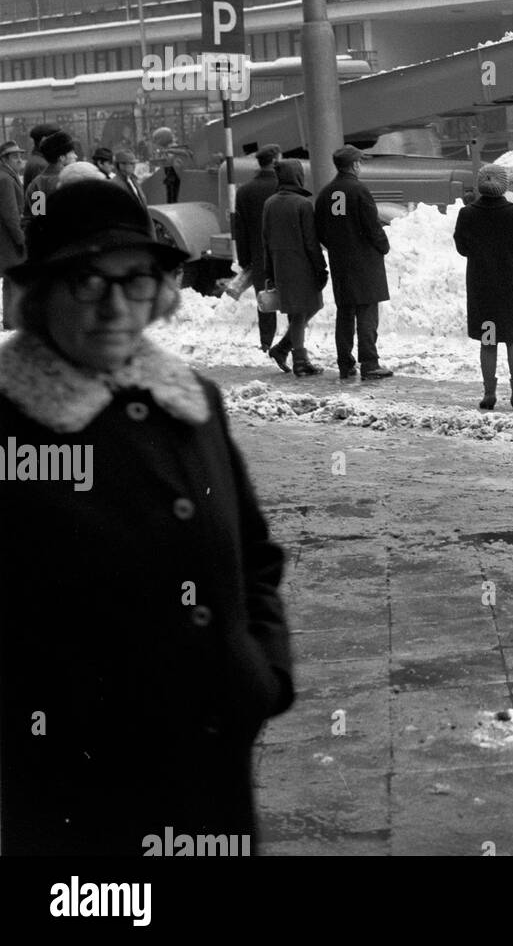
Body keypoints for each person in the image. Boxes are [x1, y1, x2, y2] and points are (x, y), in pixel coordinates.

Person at [0, 180, 294, 855]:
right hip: (78, 804)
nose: (114, 306)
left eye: (134, 280)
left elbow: (255, 555)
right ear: (41, 294)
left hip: (209, 783)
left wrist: (261, 672)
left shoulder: (192, 403)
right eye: (85, 281)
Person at [453, 163, 513, 410]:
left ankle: (489, 393)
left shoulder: (468, 214)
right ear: (504, 186)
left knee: (488, 340)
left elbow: (462, 248)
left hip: (483, 288)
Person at [314, 144, 394, 382]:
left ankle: (345, 364)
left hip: (341, 262)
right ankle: (370, 364)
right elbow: (372, 226)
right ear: (355, 165)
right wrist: (383, 246)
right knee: (367, 313)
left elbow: (319, 230)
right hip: (365, 263)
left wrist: (336, 247)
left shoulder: (326, 193)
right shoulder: (360, 191)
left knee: (345, 313)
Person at [261, 159, 328, 377]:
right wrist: (321, 268)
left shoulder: (269, 203)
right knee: (302, 312)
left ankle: (282, 349)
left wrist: (269, 271)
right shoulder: (303, 204)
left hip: (281, 265)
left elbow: (265, 240)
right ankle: (299, 360)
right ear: (297, 176)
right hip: (303, 266)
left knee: (302, 310)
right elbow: (311, 241)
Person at [232, 145, 280, 353]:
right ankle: (294, 343)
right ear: (276, 160)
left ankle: (266, 342)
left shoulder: (244, 191)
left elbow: (239, 230)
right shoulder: (284, 187)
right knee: (294, 299)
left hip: (259, 256)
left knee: (265, 300)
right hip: (285, 253)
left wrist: (245, 260)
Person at [22, 130, 78, 232]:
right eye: (72, 152)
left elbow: (38, 217)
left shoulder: (37, 184)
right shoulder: (70, 180)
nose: (76, 156)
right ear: (61, 158)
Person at [0, 138, 25, 329]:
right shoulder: (6, 179)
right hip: (10, 238)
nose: (19, 160)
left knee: (11, 280)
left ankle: (10, 320)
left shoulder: (10, 176)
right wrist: (21, 238)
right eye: (15, 156)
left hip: (8, 237)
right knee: (15, 279)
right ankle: (13, 320)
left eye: (20, 156)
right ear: (4, 159)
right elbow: (11, 213)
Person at [22, 123, 60, 191]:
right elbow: (40, 195)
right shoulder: (40, 164)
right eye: (56, 140)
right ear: (44, 140)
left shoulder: (37, 160)